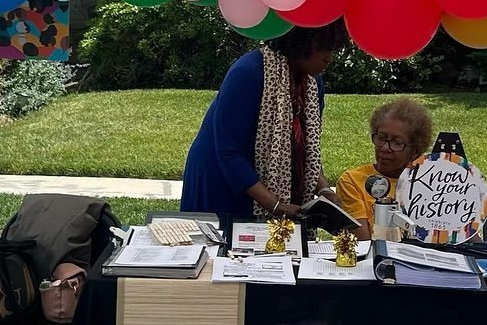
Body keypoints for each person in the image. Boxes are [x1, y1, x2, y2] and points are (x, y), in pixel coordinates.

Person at [180, 22, 347, 229]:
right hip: (222, 178)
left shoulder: (314, 84)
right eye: (323, 48)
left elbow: (306, 150)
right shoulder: (247, 72)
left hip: (260, 181)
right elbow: (229, 151)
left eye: (333, 49)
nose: (329, 58)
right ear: (300, 42)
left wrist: (323, 190)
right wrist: (274, 204)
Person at [336, 97, 435, 240]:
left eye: (397, 142)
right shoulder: (352, 181)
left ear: (415, 151)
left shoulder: (431, 183)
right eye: (381, 138)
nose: (385, 148)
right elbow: (364, 243)